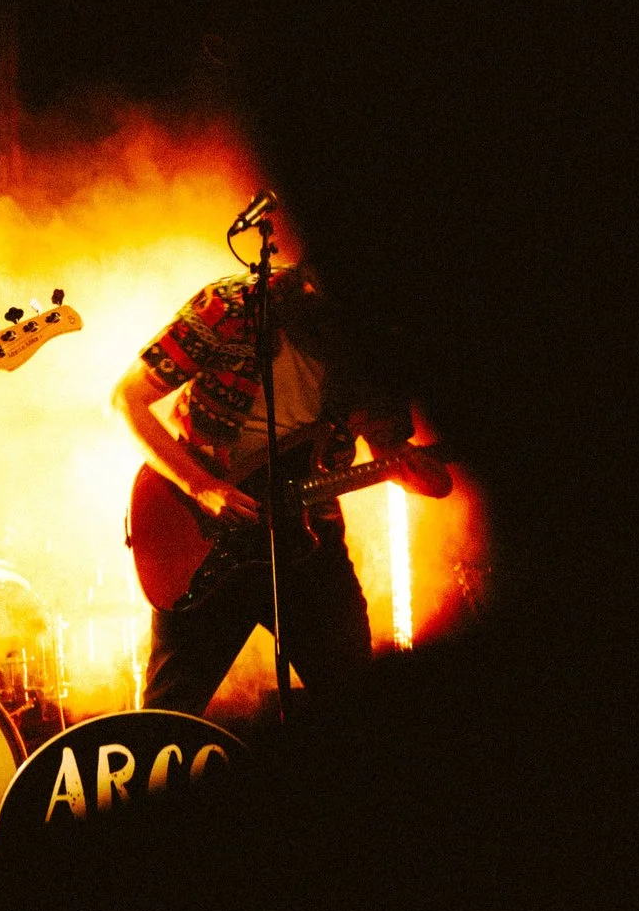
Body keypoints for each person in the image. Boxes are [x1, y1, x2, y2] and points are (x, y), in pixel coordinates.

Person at [109, 231, 436, 720]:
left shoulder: (376, 349)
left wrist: (413, 470)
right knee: (165, 725)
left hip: (306, 535)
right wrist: (202, 485)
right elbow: (126, 399)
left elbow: (389, 444)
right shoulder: (231, 306)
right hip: (206, 534)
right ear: (305, 287)